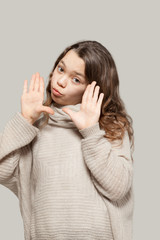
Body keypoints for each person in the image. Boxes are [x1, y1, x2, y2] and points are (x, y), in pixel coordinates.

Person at [0, 40, 135, 240]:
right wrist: (25, 120)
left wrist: (90, 130)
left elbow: (118, 189)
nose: (60, 81)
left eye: (76, 80)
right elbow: (3, 173)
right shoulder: (38, 125)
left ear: (94, 89)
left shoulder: (110, 126)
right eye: (61, 69)